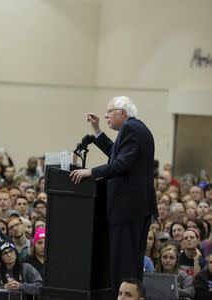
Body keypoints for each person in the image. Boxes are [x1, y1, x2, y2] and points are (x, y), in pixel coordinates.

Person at [70, 96, 157, 295]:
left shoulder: (131, 129)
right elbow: (115, 154)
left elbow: (120, 164)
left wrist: (91, 172)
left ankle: (125, 297)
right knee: (131, 265)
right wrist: (97, 130)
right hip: (135, 209)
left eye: (110, 112)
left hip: (127, 209)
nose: (106, 115)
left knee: (123, 265)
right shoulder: (136, 129)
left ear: (123, 113)